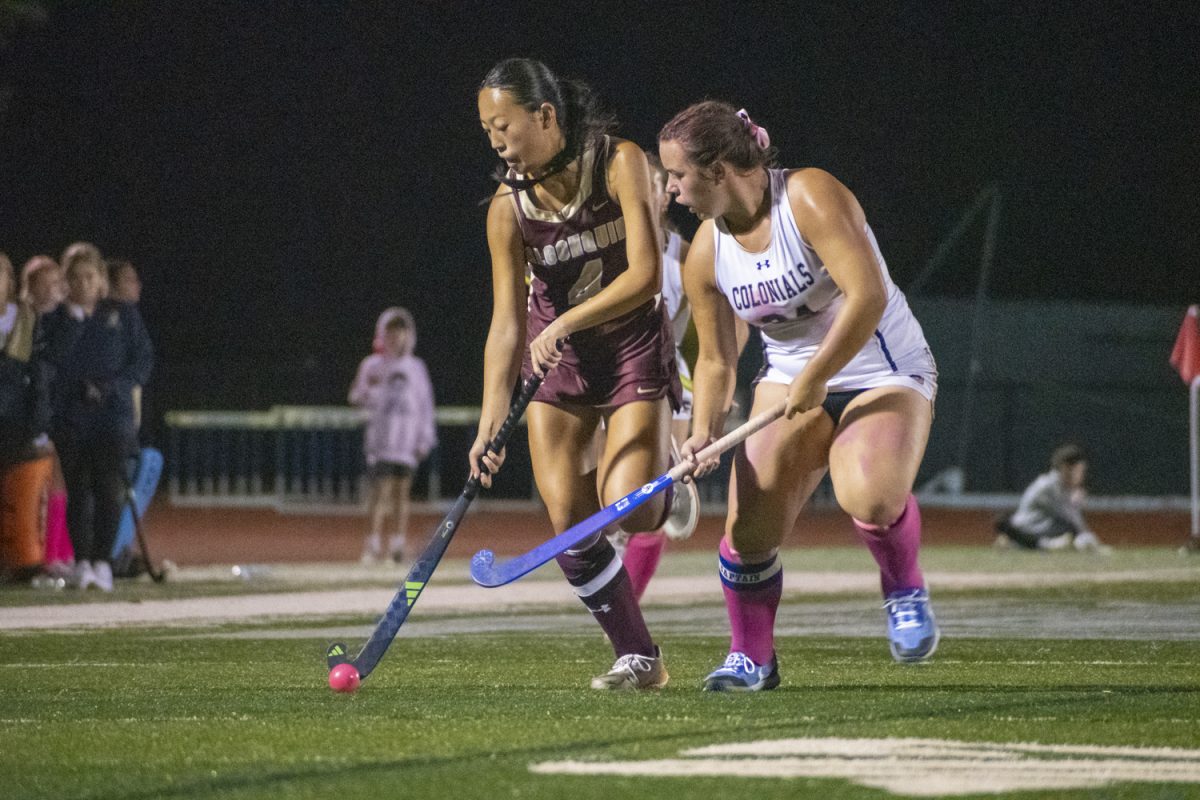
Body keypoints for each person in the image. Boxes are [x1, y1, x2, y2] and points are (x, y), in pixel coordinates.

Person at [660, 101, 941, 691]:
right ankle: (751, 658)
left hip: (881, 369)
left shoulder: (809, 196)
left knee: (867, 493)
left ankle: (903, 587)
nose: (672, 190)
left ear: (717, 170)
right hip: (788, 380)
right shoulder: (707, 254)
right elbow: (716, 359)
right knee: (747, 530)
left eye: (679, 175)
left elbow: (866, 297)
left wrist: (817, 376)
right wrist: (703, 429)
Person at [472, 58, 679, 690]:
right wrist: (489, 426)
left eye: (503, 125)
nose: (496, 140)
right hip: (557, 371)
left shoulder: (619, 161)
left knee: (634, 509)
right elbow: (507, 323)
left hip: (630, 347)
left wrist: (561, 325)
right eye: (486, 130)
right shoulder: (507, 209)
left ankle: (659, 479)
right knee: (570, 524)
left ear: (545, 115)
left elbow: (645, 274)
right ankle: (639, 657)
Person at [44, 247, 153, 591]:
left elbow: (142, 361)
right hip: (72, 420)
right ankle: (83, 563)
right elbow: (52, 363)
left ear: (102, 281)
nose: (84, 284)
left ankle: (104, 563)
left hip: (112, 418)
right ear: (67, 282)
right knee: (79, 492)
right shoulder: (57, 320)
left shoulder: (123, 316)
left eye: (90, 277)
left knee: (109, 490)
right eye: (76, 277)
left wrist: (111, 388)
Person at [348, 307, 437, 564]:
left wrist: (424, 438)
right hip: (381, 441)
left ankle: (398, 544)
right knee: (379, 493)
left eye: (401, 332)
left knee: (401, 493)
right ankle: (372, 545)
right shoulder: (372, 365)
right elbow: (356, 396)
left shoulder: (416, 368)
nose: (396, 337)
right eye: (391, 332)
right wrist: (369, 394)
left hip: (406, 442)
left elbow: (425, 404)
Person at [0, 252, 54, 584]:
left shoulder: (26, 321)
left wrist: (38, 425)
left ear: (9, 281)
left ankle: (22, 560)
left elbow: (41, 378)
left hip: (17, 427)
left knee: (19, 503)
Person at [995, 443, 1112, 554]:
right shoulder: (1049, 486)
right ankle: (1031, 543)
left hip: (1041, 525)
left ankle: (1019, 544)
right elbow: (1069, 517)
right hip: (1024, 528)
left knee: (1068, 530)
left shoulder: (1062, 486)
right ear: (1066, 468)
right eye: (1079, 471)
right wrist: (1093, 544)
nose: (1081, 476)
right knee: (1069, 528)